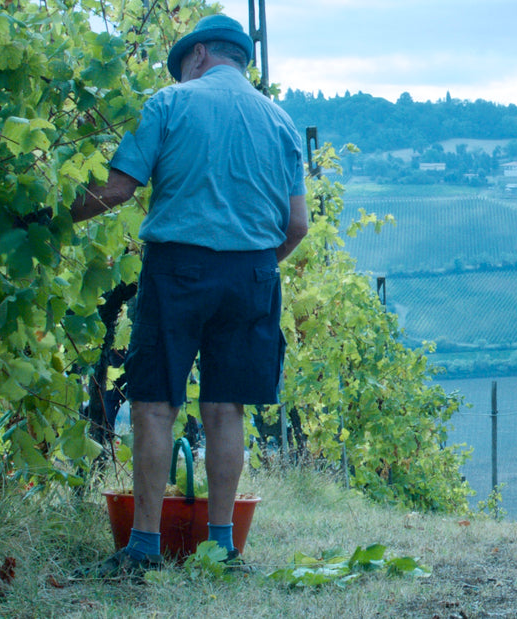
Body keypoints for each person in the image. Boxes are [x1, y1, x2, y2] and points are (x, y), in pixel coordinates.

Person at [71, 14, 308, 580]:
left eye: (183, 67)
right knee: (226, 408)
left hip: (177, 268)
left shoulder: (169, 104)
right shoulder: (280, 121)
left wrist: (45, 219)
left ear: (198, 55)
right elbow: (296, 225)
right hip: (252, 272)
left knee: (154, 405)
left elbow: (118, 188)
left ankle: (144, 548)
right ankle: (223, 550)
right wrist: (250, 267)